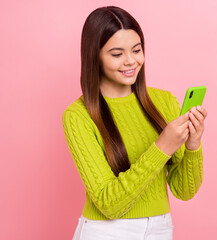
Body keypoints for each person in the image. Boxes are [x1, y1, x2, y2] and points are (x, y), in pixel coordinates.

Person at [62, 6, 207, 240]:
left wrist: (193, 145)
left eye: (137, 50)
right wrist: (162, 147)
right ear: (94, 56)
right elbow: (109, 203)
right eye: (117, 54)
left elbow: (184, 190)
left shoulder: (163, 101)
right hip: (106, 231)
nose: (131, 61)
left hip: (160, 228)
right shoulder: (78, 115)